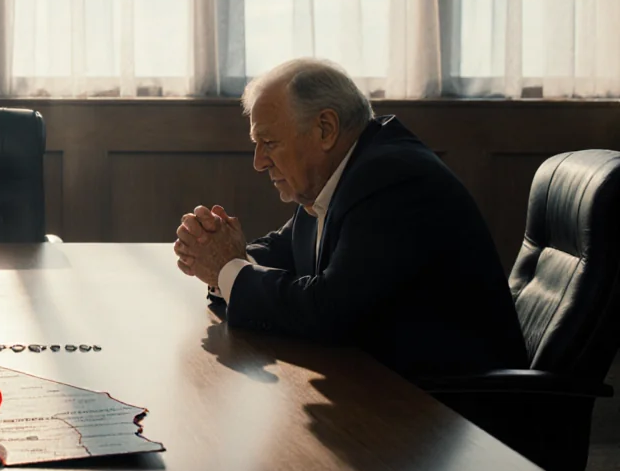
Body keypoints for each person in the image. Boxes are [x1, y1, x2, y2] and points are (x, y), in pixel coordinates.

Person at [173, 58, 527, 378]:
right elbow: (286, 251)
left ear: (325, 128)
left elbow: (329, 312)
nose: (259, 161)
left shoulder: (391, 178)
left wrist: (228, 268)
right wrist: (216, 256)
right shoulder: (340, 175)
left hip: (454, 413)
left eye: (269, 142)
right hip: (392, 392)